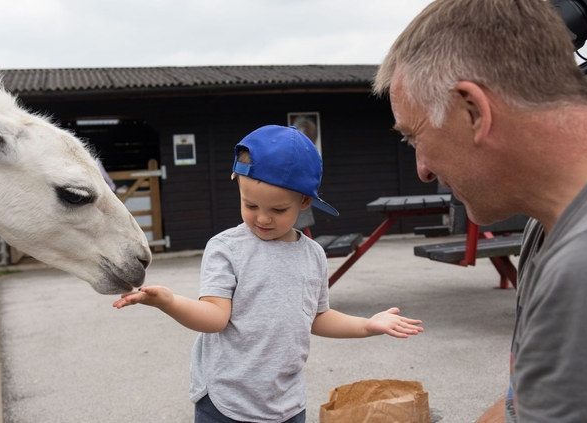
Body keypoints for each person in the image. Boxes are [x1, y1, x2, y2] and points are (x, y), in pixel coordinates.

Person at [373, 0, 587, 422]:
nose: (423, 170)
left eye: (414, 136)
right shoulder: (549, 224)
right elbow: (526, 406)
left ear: (474, 111)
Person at [113, 125, 423, 423]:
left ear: (304, 201)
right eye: (250, 204)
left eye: (278, 210)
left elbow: (316, 317)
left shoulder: (313, 255)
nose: (262, 218)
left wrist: (368, 324)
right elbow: (214, 317)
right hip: (226, 401)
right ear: (237, 183)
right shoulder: (226, 249)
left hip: (286, 403)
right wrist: (169, 301)